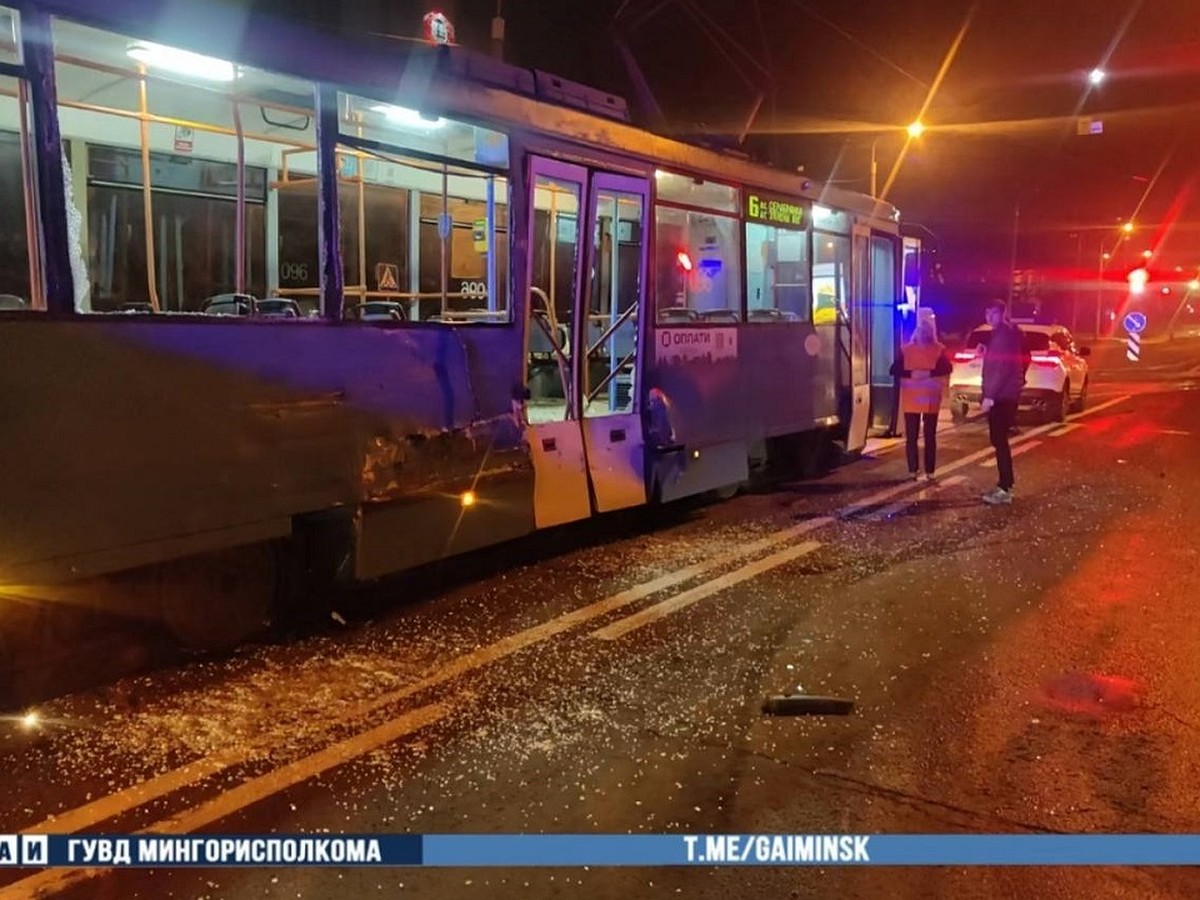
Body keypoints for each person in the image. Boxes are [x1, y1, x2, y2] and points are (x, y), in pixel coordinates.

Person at [978, 299, 1029, 505]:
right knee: (998, 440)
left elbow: (1002, 368)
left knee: (999, 441)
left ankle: (1005, 487)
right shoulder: (1002, 334)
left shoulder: (1004, 335)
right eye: (987, 312)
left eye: (993, 313)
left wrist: (990, 395)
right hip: (1005, 394)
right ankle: (1004, 484)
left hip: (1002, 396)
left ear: (1002, 313)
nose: (989, 317)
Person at [891, 317, 951, 481]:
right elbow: (946, 368)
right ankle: (927, 471)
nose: (922, 333)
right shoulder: (936, 349)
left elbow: (894, 369)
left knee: (914, 437)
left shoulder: (907, 350)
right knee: (927, 436)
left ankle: (914, 470)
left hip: (913, 398)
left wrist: (913, 374)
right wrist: (927, 374)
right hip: (928, 398)